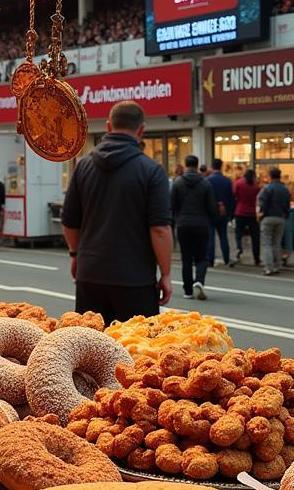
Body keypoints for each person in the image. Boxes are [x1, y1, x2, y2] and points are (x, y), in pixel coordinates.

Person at [61, 100, 172, 325]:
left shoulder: (83, 166)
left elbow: (70, 222)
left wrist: (76, 255)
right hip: (135, 279)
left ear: (108, 126)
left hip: (90, 275)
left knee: (90, 350)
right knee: (137, 352)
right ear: (141, 130)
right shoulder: (151, 170)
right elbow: (160, 229)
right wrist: (166, 275)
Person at [171, 155, 217, 300]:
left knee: (186, 258)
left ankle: (188, 291)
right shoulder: (205, 183)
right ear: (197, 165)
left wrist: (178, 218)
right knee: (202, 257)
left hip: (183, 224)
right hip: (201, 224)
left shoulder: (177, 182)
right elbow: (211, 207)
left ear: (185, 165)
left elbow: (172, 205)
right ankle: (199, 281)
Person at [257, 167, 291, 275]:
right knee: (277, 242)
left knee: (266, 243)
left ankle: (268, 267)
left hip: (268, 217)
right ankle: (277, 266)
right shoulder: (285, 189)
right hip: (280, 217)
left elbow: (262, 204)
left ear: (270, 176)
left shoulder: (267, 188)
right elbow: (287, 205)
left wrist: (260, 215)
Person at [206, 158, 234, 268]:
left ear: (212, 167)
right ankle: (226, 258)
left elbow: (206, 197)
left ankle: (210, 259)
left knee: (211, 237)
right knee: (223, 236)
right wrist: (230, 213)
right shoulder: (227, 181)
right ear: (221, 166)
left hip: (211, 212)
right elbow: (231, 198)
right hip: (223, 213)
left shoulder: (208, 180)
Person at [232, 168, 261, 267]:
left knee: (238, 233)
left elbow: (234, 195)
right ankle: (256, 257)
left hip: (240, 212)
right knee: (255, 236)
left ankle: (239, 249)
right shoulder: (256, 187)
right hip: (252, 213)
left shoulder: (239, 183)